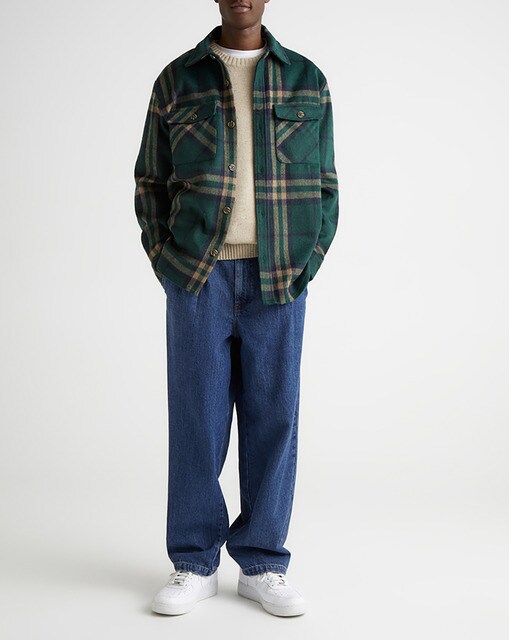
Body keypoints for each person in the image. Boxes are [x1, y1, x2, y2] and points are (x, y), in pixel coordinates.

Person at [133, 0, 339, 617]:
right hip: (199, 276)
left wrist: (306, 262)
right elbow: (150, 182)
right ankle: (194, 561)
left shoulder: (306, 79)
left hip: (279, 276)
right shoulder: (177, 80)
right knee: (196, 417)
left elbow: (326, 185)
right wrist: (167, 261)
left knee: (275, 416)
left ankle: (263, 562)